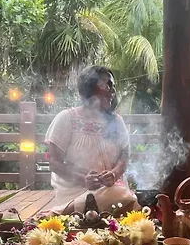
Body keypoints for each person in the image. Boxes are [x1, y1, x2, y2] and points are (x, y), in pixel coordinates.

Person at [45, 65, 139, 215]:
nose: (112, 91)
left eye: (113, 86)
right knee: (123, 197)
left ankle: (64, 212)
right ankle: (63, 211)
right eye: (107, 84)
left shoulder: (117, 121)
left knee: (124, 197)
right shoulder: (67, 118)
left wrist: (114, 175)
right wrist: (83, 180)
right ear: (90, 86)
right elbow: (55, 163)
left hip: (110, 189)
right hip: (75, 191)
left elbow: (124, 156)